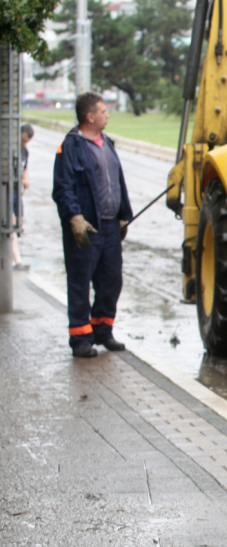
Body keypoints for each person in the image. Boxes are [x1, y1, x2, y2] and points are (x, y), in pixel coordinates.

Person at [52, 92, 134, 358]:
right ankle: (81, 339)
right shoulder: (71, 146)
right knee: (80, 283)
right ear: (90, 116)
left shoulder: (106, 142)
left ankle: (103, 331)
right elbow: (63, 188)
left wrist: (124, 214)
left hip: (110, 228)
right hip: (87, 230)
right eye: (103, 111)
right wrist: (74, 218)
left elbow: (118, 182)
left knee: (112, 281)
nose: (107, 115)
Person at [11, 124, 33, 270]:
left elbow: (25, 168)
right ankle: (17, 261)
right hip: (7, 191)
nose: (24, 144)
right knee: (11, 224)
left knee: (19, 222)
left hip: (17, 191)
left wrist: (26, 180)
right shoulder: (11, 150)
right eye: (23, 140)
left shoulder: (25, 152)